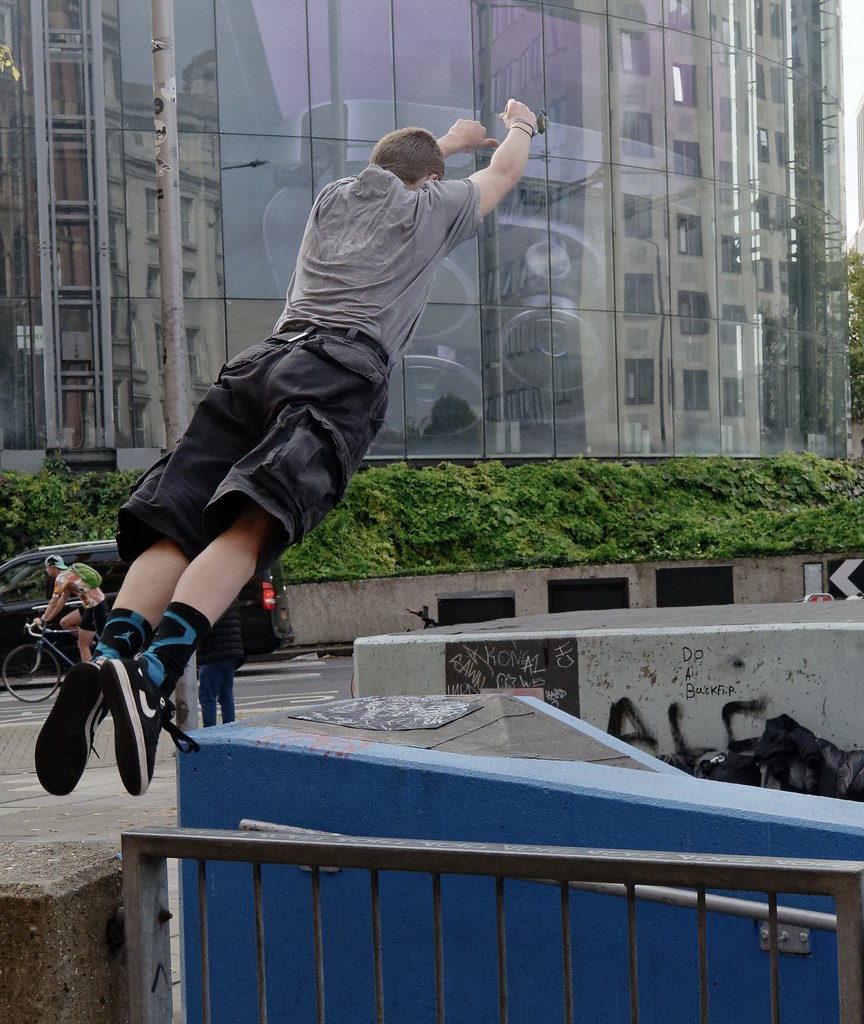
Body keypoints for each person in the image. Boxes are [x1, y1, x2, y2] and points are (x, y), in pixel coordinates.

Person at [34, 98, 540, 798]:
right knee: (252, 521)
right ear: (429, 182)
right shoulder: (431, 210)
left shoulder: (334, 199)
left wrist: (444, 144)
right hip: (337, 373)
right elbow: (503, 175)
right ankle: (154, 673)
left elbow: (397, 164)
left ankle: (116, 649)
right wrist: (520, 128)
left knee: (178, 523)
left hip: (261, 363)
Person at [34, 555, 108, 663]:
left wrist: (43, 619)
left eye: (47, 567)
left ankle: (92, 676)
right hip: (92, 605)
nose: (46, 570)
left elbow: (53, 602)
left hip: (94, 607)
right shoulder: (68, 574)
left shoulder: (61, 579)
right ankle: (91, 644)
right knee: (65, 622)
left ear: (53, 567)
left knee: (82, 646)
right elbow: (62, 600)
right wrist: (49, 618)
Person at [197, 601, 244, 727]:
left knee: (207, 697)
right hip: (232, 650)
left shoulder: (211, 598)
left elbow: (205, 626)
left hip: (214, 652)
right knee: (226, 695)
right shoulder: (230, 597)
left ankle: (210, 732)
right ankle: (229, 729)